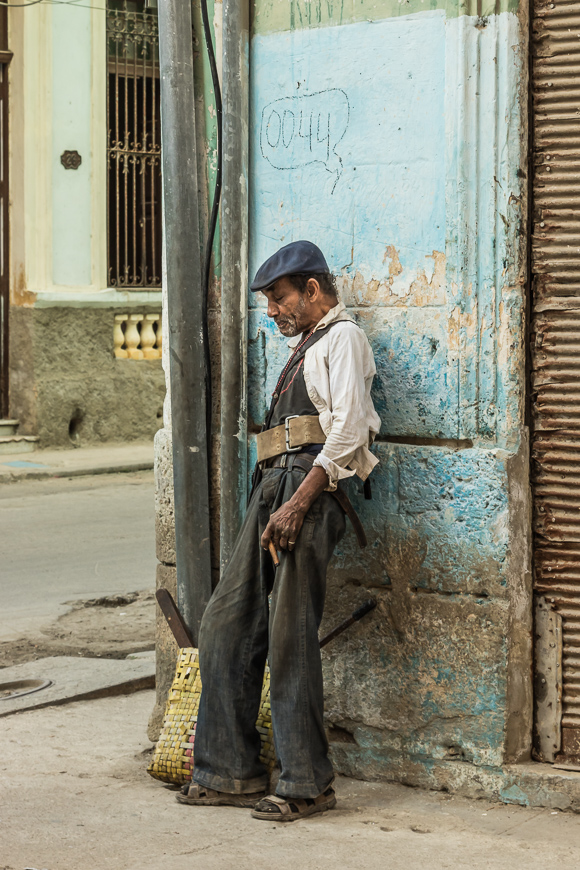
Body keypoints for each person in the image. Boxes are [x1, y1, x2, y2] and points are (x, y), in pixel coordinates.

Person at [177, 240, 381, 822]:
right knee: (226, 623)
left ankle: (307, 784)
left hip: (308, 491)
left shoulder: (343, 338)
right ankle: (229, 771)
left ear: (312, 290)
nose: (271, 311)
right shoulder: (306, 346)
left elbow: (351, 429)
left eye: (278, 297)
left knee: (291, 637)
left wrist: (298, 503)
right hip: (275, 486)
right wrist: (275, 497)